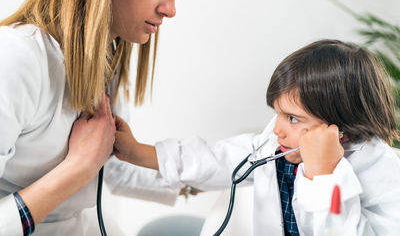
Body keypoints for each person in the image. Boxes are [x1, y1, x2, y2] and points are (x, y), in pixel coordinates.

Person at [113, 39, 400, 235]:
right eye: (277, 113)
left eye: (292, 118)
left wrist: (325, 176)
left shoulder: (381, 173)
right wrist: (135, 152)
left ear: (341, 128)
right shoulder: (278, 145)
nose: (277, 128)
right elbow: (215, 161)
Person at [0, 0, 188, 235]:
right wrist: (78, 167)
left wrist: (221, 169)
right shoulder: (14, 58)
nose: (171, 9)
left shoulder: (103, 61)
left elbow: (117, 171)